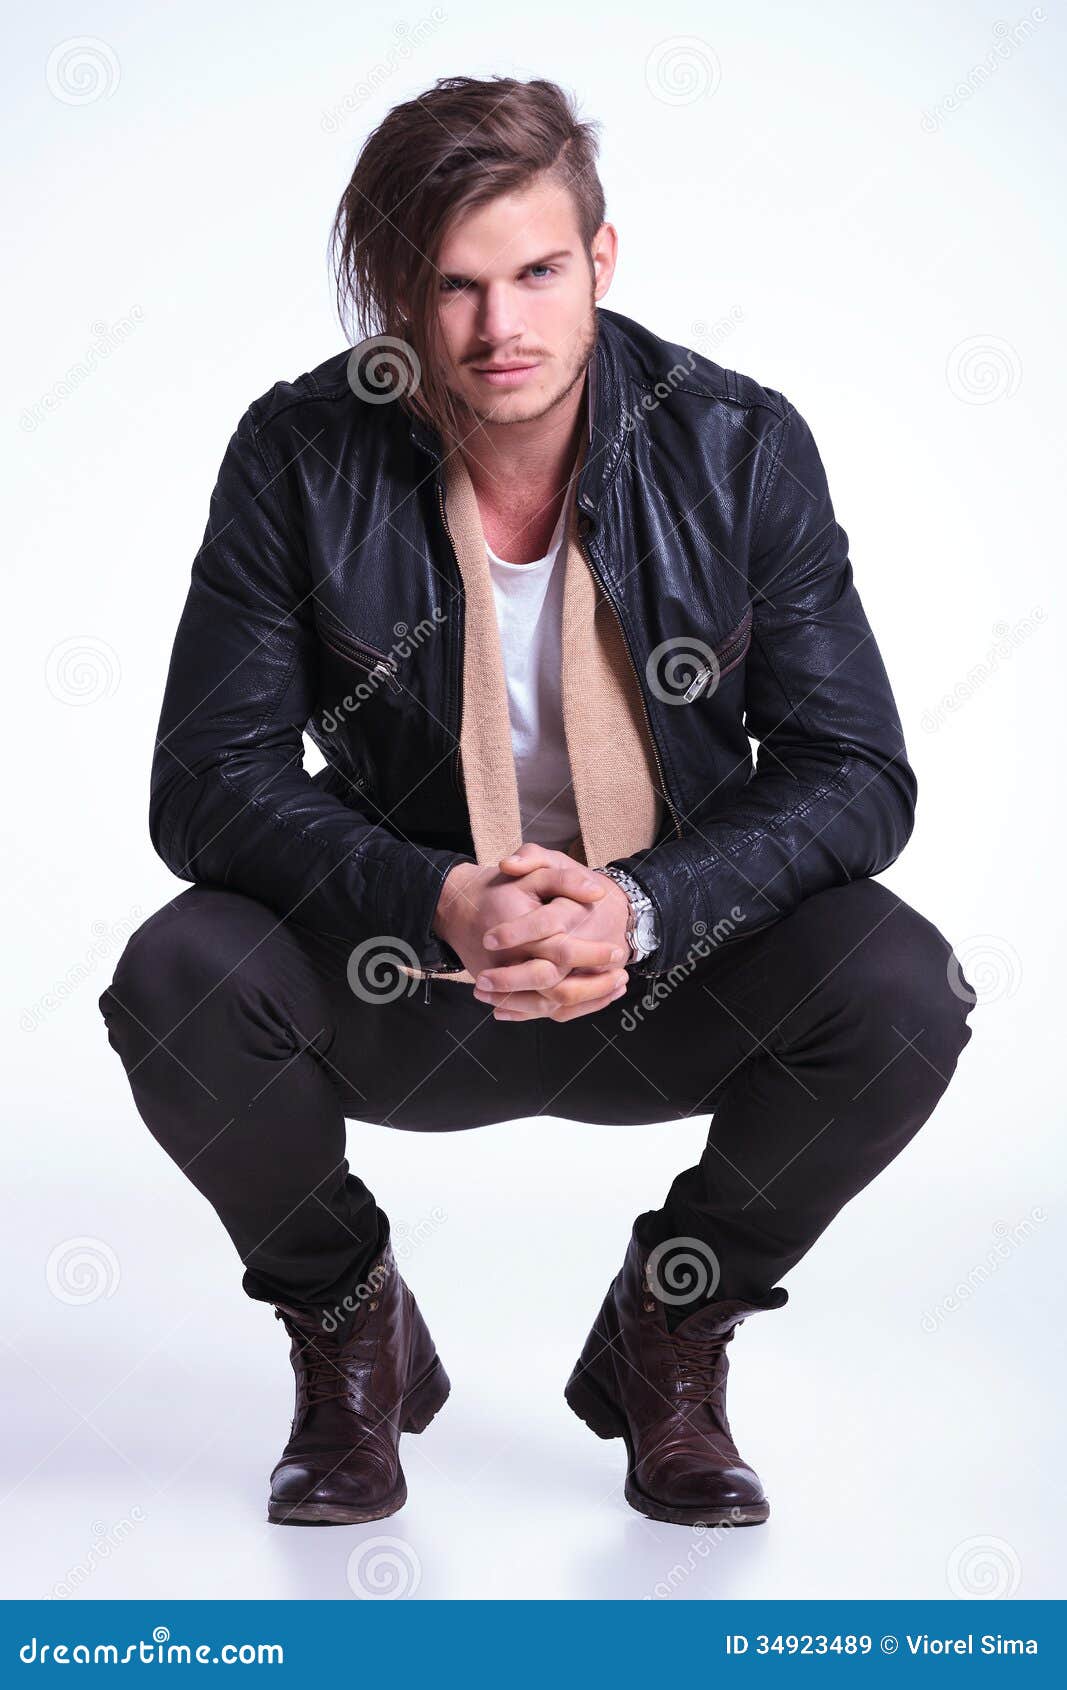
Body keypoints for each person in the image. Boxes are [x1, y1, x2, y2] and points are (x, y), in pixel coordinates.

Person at [98, 74, 977, 1530]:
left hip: (667, 963)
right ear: (395, 293)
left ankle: (668, 1331)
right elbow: (208, 785)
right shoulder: (300, 453)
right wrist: (434, 891)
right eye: (452, 286)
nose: (501, 328)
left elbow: (859, 771)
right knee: (181, 975)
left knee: (902, 982)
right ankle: (347, 1326)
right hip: (417, 970)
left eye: (537, 272)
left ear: (602, 261)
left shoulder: (737, 444)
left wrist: (644, 905)